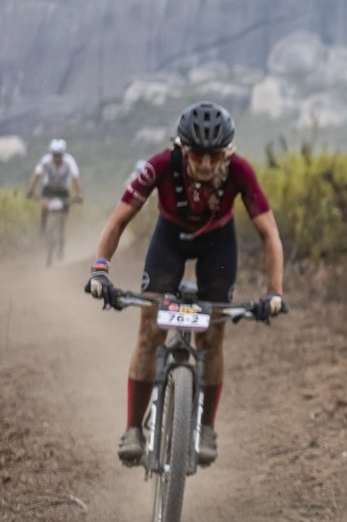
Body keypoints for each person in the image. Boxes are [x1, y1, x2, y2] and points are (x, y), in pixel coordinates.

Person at [84, 101, 285, 467]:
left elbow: (269, 232)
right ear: (181, 148)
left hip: (217, 245)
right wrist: (100, 269)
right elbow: (117, 221)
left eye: (214, 156)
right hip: (169, 241)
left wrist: (274, 292)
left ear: (227, 154)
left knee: (213, 335)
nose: (206, 164)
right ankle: (133, 428)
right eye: (196, 155)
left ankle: (206, 426)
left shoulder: (241, 171)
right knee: (149, 328)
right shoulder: (159, 166)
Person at [26, 138, 83, 237]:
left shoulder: (69, 161)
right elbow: (36, 175)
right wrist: (31, 190)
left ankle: (61, 243)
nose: (57, 158)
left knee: (63, 219)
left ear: (63, 154)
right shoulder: (46, 160)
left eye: (59, 155)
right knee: (44, 206)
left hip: (63, 191)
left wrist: (79, 194)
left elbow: (76, 178)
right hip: (49, 189)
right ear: (51, 154)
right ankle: (42, 228)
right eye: (54, 155)